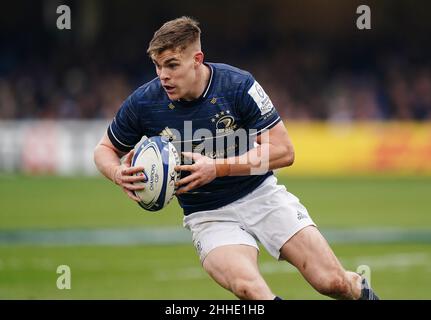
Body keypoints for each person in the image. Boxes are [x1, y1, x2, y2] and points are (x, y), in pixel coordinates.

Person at [94, 16, 379, 300]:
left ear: (197, 59)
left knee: (333, 283)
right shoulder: (145, 102)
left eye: (171, 65)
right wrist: (116, 172)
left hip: (261, 196)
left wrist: (217, 168)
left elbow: (284, 151)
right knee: (250, 290)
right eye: (157, 65)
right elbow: (104, 150)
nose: (163, 75)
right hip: (208, 215)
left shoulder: (237, 85)